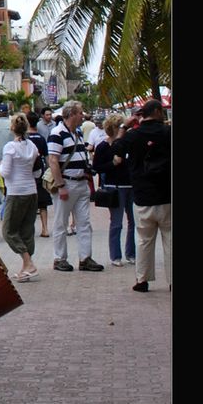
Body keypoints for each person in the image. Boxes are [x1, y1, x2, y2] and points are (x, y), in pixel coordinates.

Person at [113, 99, 170, 292]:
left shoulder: (133, 135)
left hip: (142, 195)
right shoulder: (168, 132)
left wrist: (123, 126)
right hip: (167, 195)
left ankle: (142, 280)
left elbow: (117, 149)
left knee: (144, 240)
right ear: (157, 111)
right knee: (170, 239)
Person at [47, 101, 103, 272]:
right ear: (71, 114)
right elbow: (53, 161)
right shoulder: (57, 133)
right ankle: (59, 258)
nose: (82, 116)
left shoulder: (77, 132)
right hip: (67, 183)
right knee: (61, 223)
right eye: (80, 113)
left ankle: (85, 258)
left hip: (81, 183)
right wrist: (61, 185)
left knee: (84, 222)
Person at [0, 114, 40, 282]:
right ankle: (26, 266)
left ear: (12, 128)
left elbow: (5, 172)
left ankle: (28, 262)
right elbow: (37, 171)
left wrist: (0, 164)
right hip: (31, 190)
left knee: (8, 230)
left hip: (16, 192)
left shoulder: (10, 147)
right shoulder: (32, 146)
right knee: (26, 229)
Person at [93, 114, 135, 267]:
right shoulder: (103, 146)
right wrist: (112, 164)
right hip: (114, 187)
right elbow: (97, 167)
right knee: (117, 223)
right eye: (120, 127)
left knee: (134, 221)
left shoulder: (127, 144)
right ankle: (115, 255)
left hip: (130, 186)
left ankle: (131, 253)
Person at [26, 112, 52, 238]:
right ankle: (45, 228)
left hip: (26, 172)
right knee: (43, 203)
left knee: (29, 204)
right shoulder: (41, 138)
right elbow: (47, 158)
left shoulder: (24, 139)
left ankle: (29, 230)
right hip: (40, 171)